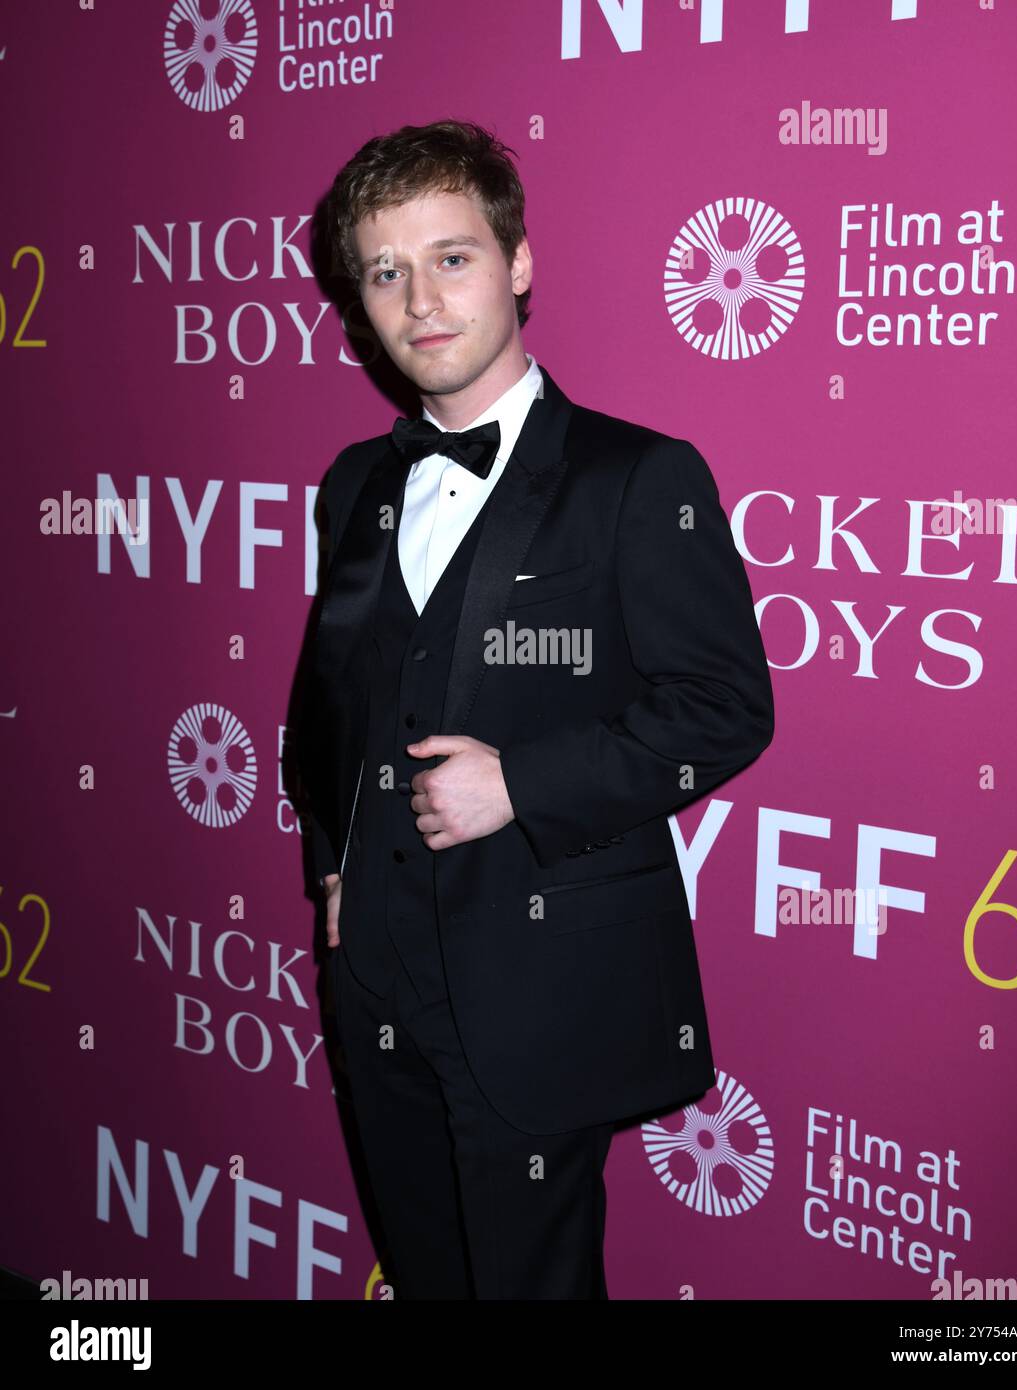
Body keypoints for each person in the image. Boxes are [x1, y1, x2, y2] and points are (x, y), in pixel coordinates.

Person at [297, 119, 775, 1300]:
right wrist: (336, 860)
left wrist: (520, 782)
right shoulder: (357, 480)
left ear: (516, 264)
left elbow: (724, 708)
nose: (420, 298)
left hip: (539, 977)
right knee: (424, 1270)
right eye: (385, 270)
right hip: (378, 977)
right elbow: (330, 698)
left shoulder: (636, 477)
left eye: (451, 257)